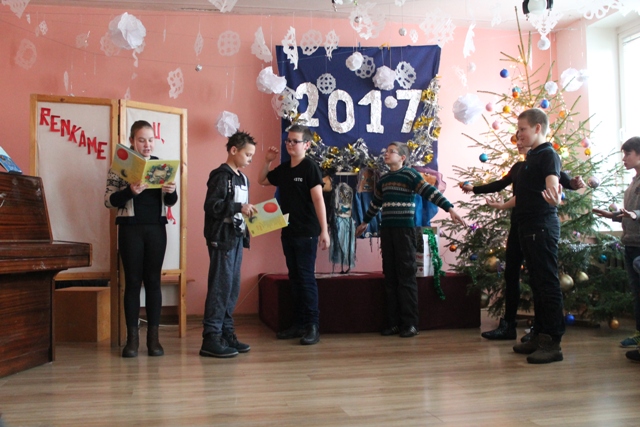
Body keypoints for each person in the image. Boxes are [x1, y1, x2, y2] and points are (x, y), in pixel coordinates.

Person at [464, 139, 585, 342]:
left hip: (536, 226)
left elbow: (563, 180)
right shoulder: (519, 167)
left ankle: (542, 330)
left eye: (522, 135)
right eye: (517, 138)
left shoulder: (545, 159)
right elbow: (500, 185)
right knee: (511, 273)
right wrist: (474, 189)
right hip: (518, 226)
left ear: (535, 135)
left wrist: (574, 183)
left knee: (540, 279)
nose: (519, 142)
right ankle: (509, 326)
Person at [355, 142, 466, 338]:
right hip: (387, 232)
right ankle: (394, 323)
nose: (386, 154)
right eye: (386, 151)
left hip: (404, 232)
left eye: (391, 152)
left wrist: (449, 209)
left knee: (406, 277)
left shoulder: (410, 175)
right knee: (390, 277)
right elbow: (375, 204)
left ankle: (410, 324)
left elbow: (430, 192)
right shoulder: (384, 180)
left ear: (402, 157)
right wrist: (364, 222)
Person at [104, 120, 178, 358]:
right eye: (142, 140)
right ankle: (132, 341)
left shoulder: (161, 166)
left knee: (154, 282)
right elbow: (108, 201)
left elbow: (170, 202)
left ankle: (154, 341)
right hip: (130, 229)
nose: (147, 145)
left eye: (150, 140)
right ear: (132, 141)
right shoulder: (120, 167)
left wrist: (172, 192)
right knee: (133, 282)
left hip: (156, 229)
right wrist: (130, 191)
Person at [258, 124, 330, 346]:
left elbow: (318, 199)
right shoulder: (285, 168)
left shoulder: (310, 168)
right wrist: (268, 161)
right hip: (288, 231)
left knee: (306, 278)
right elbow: (263, 180)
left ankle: (312, 326)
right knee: (295, 278)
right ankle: (299, 324)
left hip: (307, 232)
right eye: (288, 140)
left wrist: (324, 230)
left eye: (295, 141)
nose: (290, 144)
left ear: (306, 145)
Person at [508, 108, 564, 364]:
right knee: (538, 284)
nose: (519, 134)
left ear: (538, 128)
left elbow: (553, 183)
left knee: (547, 284)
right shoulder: (532, 156)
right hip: (527, 226)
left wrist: (555, 196)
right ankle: (539, 335)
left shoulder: (548, 154)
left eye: (523, 129)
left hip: (541, 226)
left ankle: (552, 342)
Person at [200, 131, 257, 358]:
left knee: (232, 288)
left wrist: (251, 216)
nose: (250, 159)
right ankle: (211, 337)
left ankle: (226, 333)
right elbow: (211, 205)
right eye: (247, 154)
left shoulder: (243, 178)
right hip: (221, 238)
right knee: (220, 287)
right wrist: (237, 208)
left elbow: (242, 209)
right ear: (234, 150)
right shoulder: (221, 176)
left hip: (237, 237)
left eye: (252, 156)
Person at [593, 136, 640, 363]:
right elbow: (629, 214)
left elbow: (636, 214)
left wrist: (635, 215)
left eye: (627, 154)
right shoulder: (633, 183)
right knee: (637, 294)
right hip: (630, 243)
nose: (624, 159)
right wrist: (611, 215)